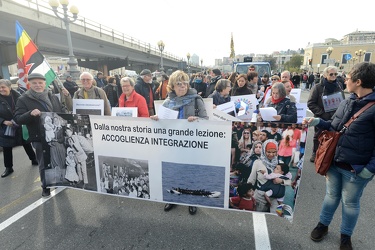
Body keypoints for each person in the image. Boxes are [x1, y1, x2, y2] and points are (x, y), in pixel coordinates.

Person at [304, 62, 375, 250]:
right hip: (334, 163)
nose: (345, 80)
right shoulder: (347, 101)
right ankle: (323, 225)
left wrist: (369, 169)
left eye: (348, 78)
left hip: (356, 169)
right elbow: (334, 127)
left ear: (358, 81)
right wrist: (317, 121)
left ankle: (345, 236)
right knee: (330, 196)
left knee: (350, 204)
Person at [151, 70, 208, 215]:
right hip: (172, 144)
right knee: (173, 170)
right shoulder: (168, 102)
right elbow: (163, 124)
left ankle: (191, 199)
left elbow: (206, 120)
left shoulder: (196, 99)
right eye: (178, 84)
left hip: (191, 144)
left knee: (190, 171)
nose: (182, 87)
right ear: (172, 87)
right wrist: (157, 119)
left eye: (184, 84)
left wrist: (196, 120)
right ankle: (173, 197)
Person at [14, 73, 69, 197]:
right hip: (39, 137)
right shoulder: (23, 99)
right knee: (44, 163)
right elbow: (18, 119)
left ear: (45, 83)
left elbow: (60, 111)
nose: (38, 85)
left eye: (40, 83)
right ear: (30, 84)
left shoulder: (52, 96)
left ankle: (59, 181)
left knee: (58, 159)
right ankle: (45, 186)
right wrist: (30, 114)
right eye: (34, 83)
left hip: (56, 135)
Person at [0, 79, 38, 178]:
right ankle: (8, 167)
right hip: (6, 126)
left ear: (9, 87)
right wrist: (3, 121)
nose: (1, 89)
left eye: (3, 87)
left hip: (20, 123)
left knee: (26, 143)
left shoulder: (19, 96)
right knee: (7, 147)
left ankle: (34, 159)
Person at [307, 66, 344, 163]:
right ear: (325, 75)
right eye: (331, 74)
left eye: (335, 74)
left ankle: (329, 154)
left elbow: (343, 100)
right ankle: (315, 153)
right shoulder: (318, 87)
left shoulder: (339, 85)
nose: (333, 76)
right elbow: (311, 103)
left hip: (336, 117)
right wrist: (322, 113)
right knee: (318, 136)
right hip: (321, 117)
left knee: (334, 135)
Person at [247, 140, 291, 213]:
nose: (271, 154)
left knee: (277, 215)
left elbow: (289, 182)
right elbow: (252, 179)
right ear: (264, 151)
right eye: (268, 152)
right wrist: (247, 193)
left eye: (274, 152)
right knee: (258, 217)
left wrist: (282, 181)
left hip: (275, 196)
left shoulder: (281, 163)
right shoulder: (258, 162)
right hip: (260, 196)